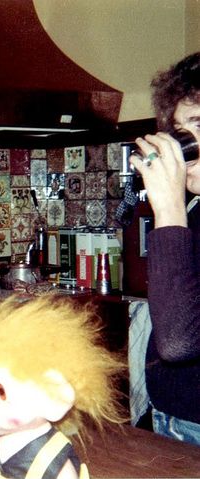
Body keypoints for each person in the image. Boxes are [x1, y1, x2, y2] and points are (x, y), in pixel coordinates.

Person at [129, 52, 200, 445]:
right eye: (179, 127)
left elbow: (178, 342)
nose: (183, 142)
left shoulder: (181, 209)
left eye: (199, 124)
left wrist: (169, 207)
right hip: (173, 418)